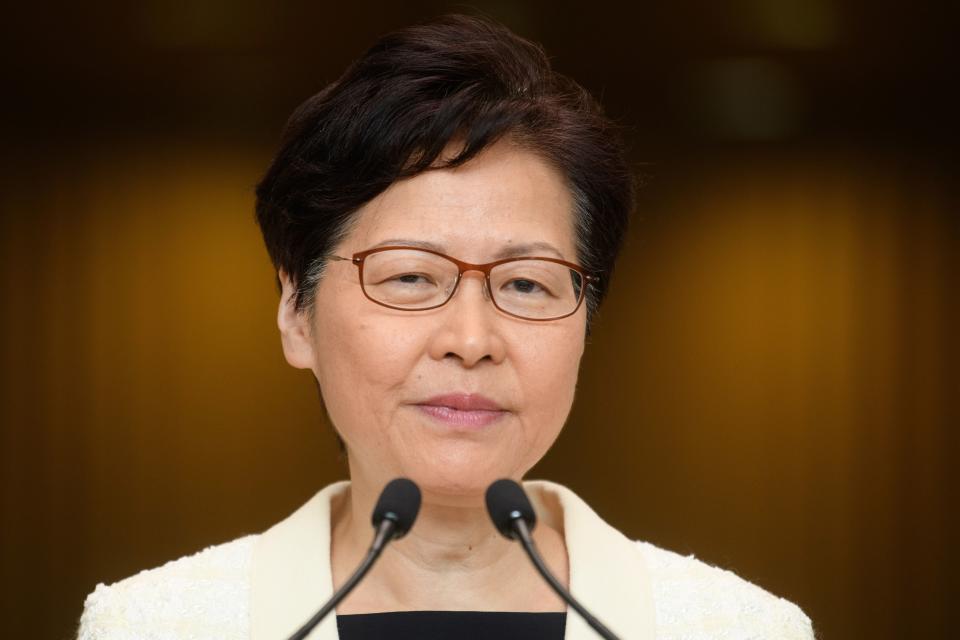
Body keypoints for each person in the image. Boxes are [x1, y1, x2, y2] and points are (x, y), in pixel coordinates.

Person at [77, 14, 815, 640]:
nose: (471, 339)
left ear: (587, 324)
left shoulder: (737, 628)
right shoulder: (156, 625)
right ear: (295, 314)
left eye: (526, 283)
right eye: (410, 277)